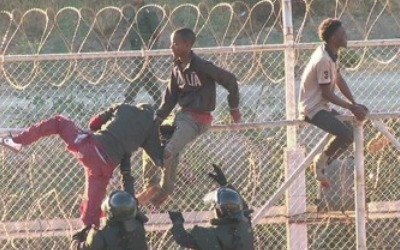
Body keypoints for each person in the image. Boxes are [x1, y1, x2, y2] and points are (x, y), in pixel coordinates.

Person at [0, 103, 163, 230]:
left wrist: (101, 129)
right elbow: (158, 157)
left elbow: (94, 122)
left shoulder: (124, 107)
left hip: (90, 148)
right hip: (104, 168)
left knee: (59, 122)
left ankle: (17, 142)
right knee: (91, 215)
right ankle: (90, 240)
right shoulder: (149, 129)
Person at [136, 27, 242, 207]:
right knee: (150, 139)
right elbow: (170, 98)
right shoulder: (176, 67)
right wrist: (157, 120)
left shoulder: (203, 66)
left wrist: (234, 107)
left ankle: (165, 189)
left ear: (187, 45)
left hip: (197, 120)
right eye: (171, 43)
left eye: (175, 43)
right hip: (181, 116)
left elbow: (230, 80)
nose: (172, 47)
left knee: (168, 151)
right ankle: (151, 186)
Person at [298, 18, 369, 187]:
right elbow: (326, 93)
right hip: (312, 109)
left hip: (322, 106)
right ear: (332, 38)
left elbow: (338, 79)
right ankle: (321, 163)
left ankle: (322, 162)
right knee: (344, 133)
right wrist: (351, 107)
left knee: (350, 134)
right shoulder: (323, 59)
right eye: (342, 34)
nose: (346, 36)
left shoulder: (331, 54)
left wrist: (354, 103)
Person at [168, 164, 254, 250]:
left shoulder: (215, 235)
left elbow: (183, 239)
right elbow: (244, 208)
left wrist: (177, 221)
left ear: (219, 210)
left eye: (214, 207)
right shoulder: (245, 225)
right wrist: (225, 184)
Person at [71, 190, 149, 250]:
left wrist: (76, 236)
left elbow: (78, 248)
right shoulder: (138, 223)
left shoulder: (100, 233)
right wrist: (126, 174)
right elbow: (129, 199)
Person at [125, 0, 162, 107]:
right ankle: (158, 99)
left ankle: (129, 98)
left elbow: (157, 32)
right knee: (146, 74)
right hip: (137, 48)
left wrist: (149, 45)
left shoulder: (148, 10)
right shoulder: (134, 11)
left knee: (140, 72)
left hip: (146, 48)